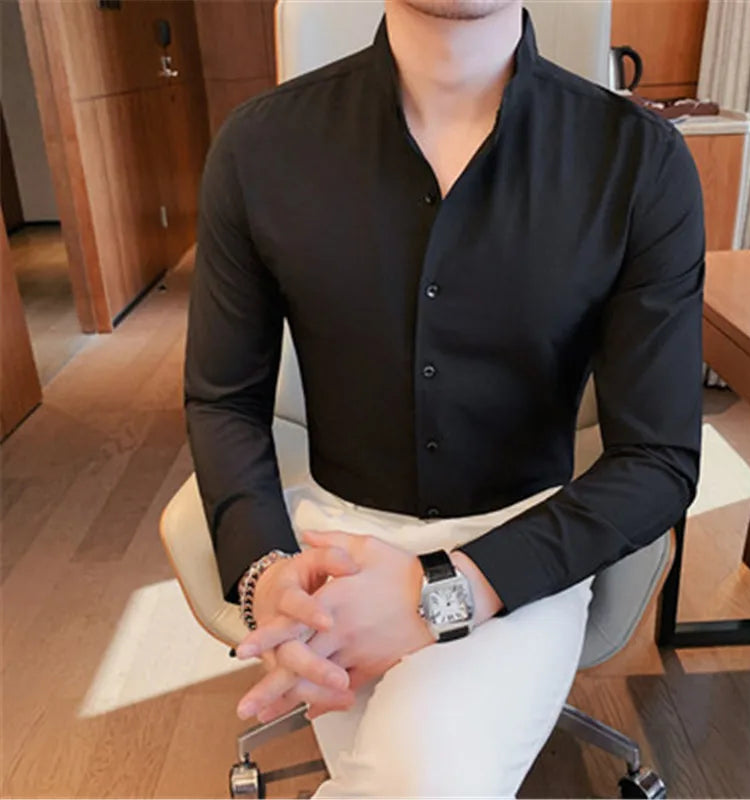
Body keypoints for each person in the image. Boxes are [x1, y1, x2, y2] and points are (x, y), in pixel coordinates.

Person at [184, 0, 704, 796]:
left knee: (425, 778)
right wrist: (266, 576)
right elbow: (224, 399)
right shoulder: (258, 148)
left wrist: (442, 594)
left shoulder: (638, 163)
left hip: (520, 548)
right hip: (334, 546)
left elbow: (659, 458)